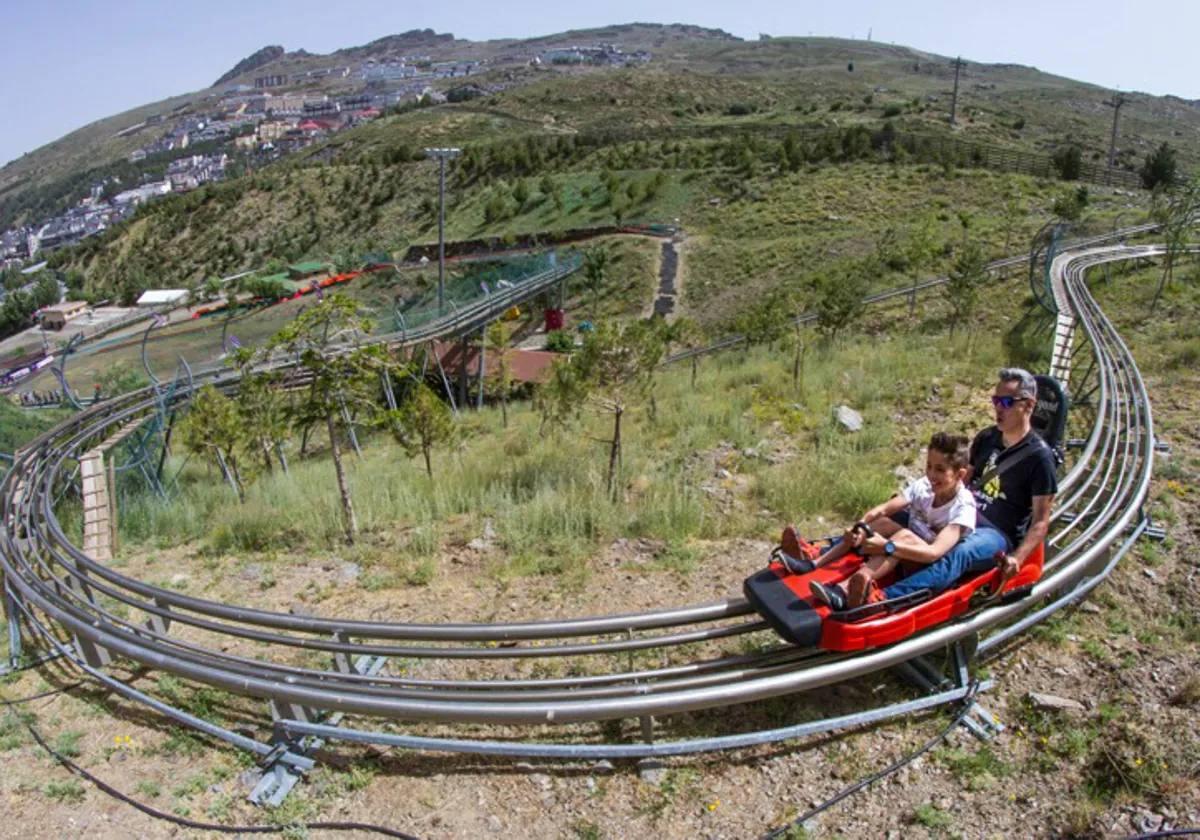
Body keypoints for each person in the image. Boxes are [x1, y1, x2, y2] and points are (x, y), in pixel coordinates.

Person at [814, 367, 1057, 611]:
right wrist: (928, 500)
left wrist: (1018, 557)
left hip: (995, 531)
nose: (998, 408)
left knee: (961, 553)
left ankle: (883, 598)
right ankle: (821, 551)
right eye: (995, 400)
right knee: (896, 514)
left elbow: (1040, 522)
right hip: (961, 512)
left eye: (1006, 402)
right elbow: (963, 481)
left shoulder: (1039, 458)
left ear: (1028, 405)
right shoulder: (988, 437)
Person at [796, 431, 977, 610]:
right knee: (884, 522)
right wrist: (858, 526)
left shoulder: (963, 508)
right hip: (905, 546)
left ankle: (843, 591)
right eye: (929, 466)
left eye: (939, 470)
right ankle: (815, 560)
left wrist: (887, 546)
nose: (931, 474)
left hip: (926, 566)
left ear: (960, 475)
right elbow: (883, 509)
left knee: (904, 535)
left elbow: (934, 553)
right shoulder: (924, 486)